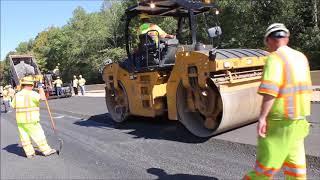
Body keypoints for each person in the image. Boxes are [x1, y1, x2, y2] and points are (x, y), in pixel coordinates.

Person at [244, 23, 312, 179]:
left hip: (278, 123)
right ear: (286, 38)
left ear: (269, 40)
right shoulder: (301, 57)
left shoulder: (275, 58)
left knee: (264, 170)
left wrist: (262, 118)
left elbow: (271, 91)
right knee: (296, 170)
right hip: (299, 121)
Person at [11, 76, 56, 158]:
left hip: (20, 120)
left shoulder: (17, 95)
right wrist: (40, 87)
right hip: (31, 119)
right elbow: (43, 98)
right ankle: (46, 150)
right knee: (38, 135)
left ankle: (29, 153)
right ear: (30, 85)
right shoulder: (33, 94)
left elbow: (13, 106)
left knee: (24, 137)